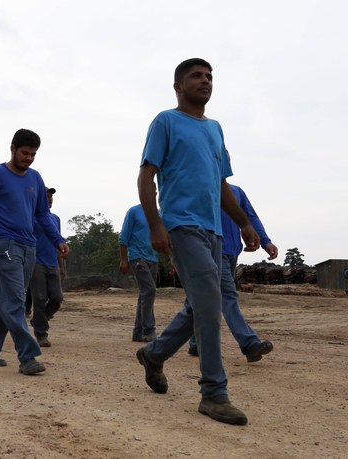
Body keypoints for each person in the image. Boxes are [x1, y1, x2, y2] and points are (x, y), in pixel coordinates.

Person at [135, 58, 260, 426]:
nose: (204, 81)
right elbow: (146, 178)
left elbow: (221, 185)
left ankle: (155, 354)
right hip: (182, 225)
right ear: (178, 86)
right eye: (196, 76)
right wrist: (156, 226)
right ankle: (213, 393)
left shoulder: (216, 129)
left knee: (204, 303)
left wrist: (245, 224)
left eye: (209, 77)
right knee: (208, 303)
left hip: (215, 231)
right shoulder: (166, 121)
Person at [0, 128, 70, 375]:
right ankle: (27, 356)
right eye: (24, 153)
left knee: (9, 301)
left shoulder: (35, 178)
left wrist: (58, 239)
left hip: (28, 246)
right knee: (15, 300)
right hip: (1, 243)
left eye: (33, 154)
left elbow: (42, 215)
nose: (29, 158)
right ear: (12, 148)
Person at [188, 184, 278, 362]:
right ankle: (249, 343)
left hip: (232, 251)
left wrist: (265, 241)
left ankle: (194, 341)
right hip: (211, 249)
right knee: (228, 295)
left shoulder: (236, 192)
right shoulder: (201, 187)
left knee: (202, 297)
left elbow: (250, 216)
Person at [29, 187, 66, 348]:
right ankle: (41, 334)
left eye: (51, 196)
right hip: (36, 262)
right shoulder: (30, 217)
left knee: (57, 298)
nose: (49, 198)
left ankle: (39, 319)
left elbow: (58, 243)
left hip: (52, 263)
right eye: (46, 196)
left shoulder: (56, 219)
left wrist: (62, 266)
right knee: (39, 298)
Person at [119, 203, 159, 342]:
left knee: (144, 294)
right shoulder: (134, 211)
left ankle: (137, 333)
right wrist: (123, 259)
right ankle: (149, 330)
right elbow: (123, 237)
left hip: (153, 258)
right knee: (149, 290)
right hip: (137, 257)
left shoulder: (157, 213)